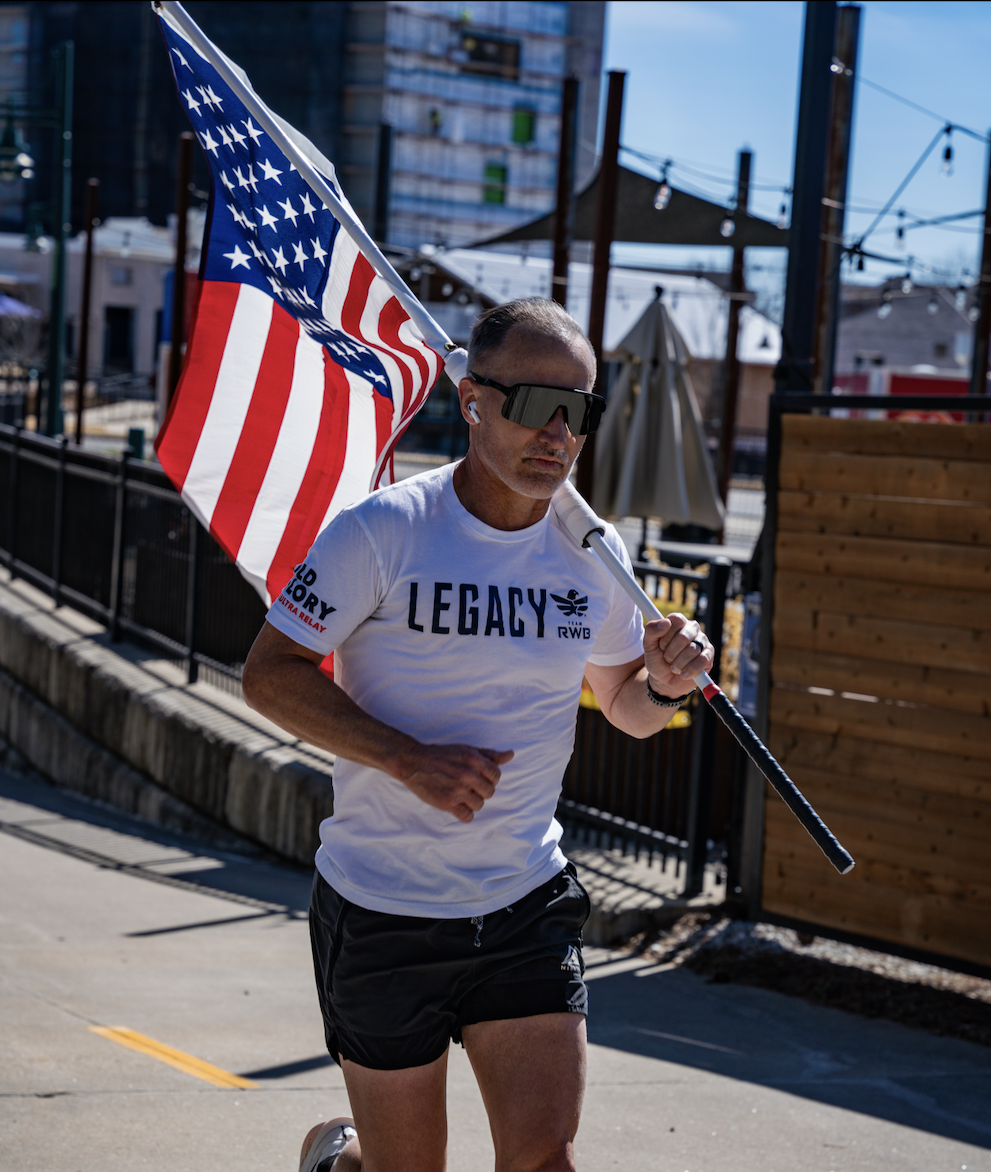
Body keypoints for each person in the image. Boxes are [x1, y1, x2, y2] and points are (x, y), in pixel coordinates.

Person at [242, 298, 714, 1172]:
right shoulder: (384, 530)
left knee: (543, 1160)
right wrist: (405, 759)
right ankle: (341, 1160)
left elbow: (625, 705)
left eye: (580, 410)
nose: (559, 433)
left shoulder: (594, 554)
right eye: (536, 405)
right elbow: (269, 674)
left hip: (523, 900)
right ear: (472, 401)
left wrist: (666, 685)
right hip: (383, 908)